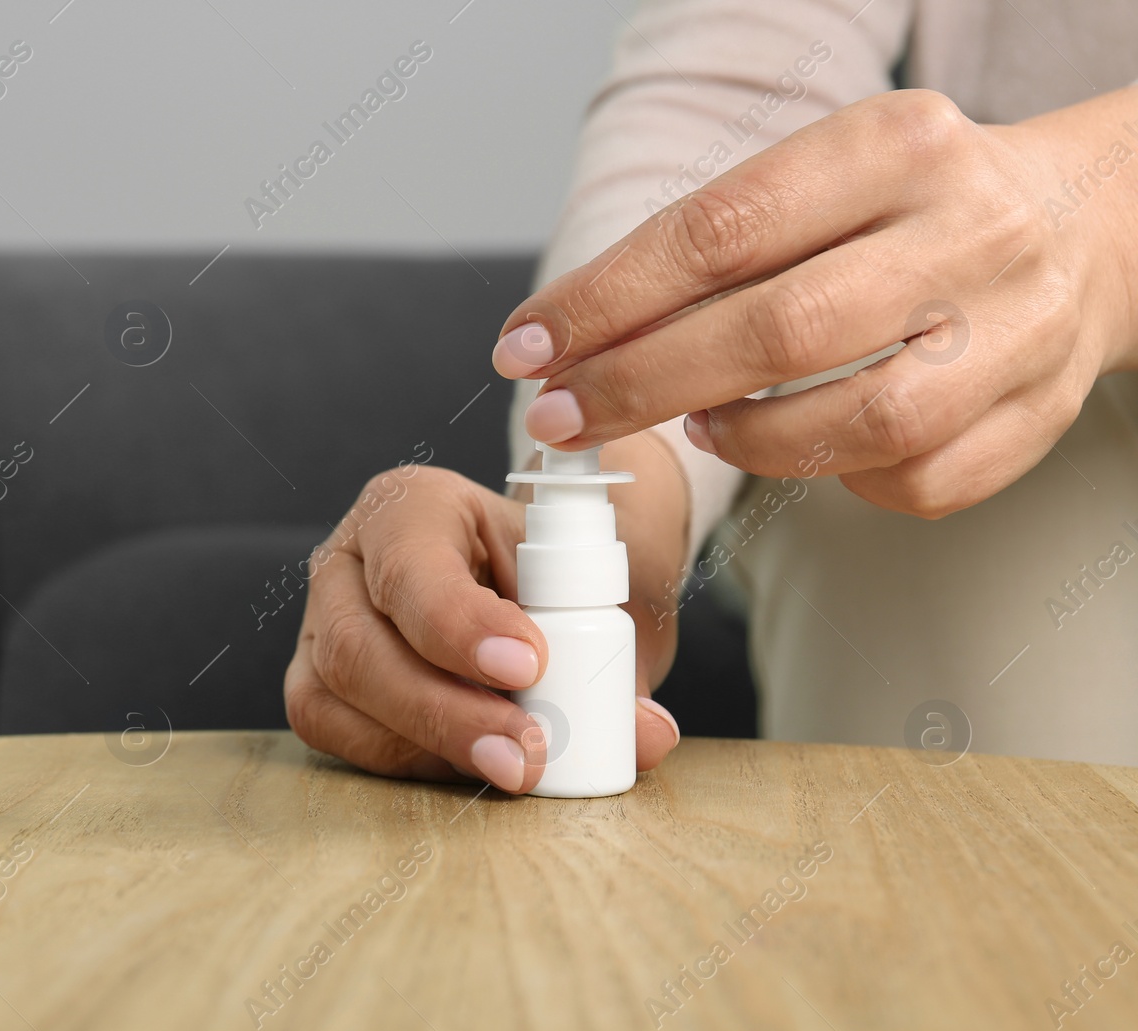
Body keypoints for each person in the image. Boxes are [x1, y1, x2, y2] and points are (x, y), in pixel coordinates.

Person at [283, 0, 1138, 793]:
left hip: (1063, 344)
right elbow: (738, 88)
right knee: (899, 466)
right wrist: (614, 504)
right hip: (980, 378)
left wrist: (1103, 227)